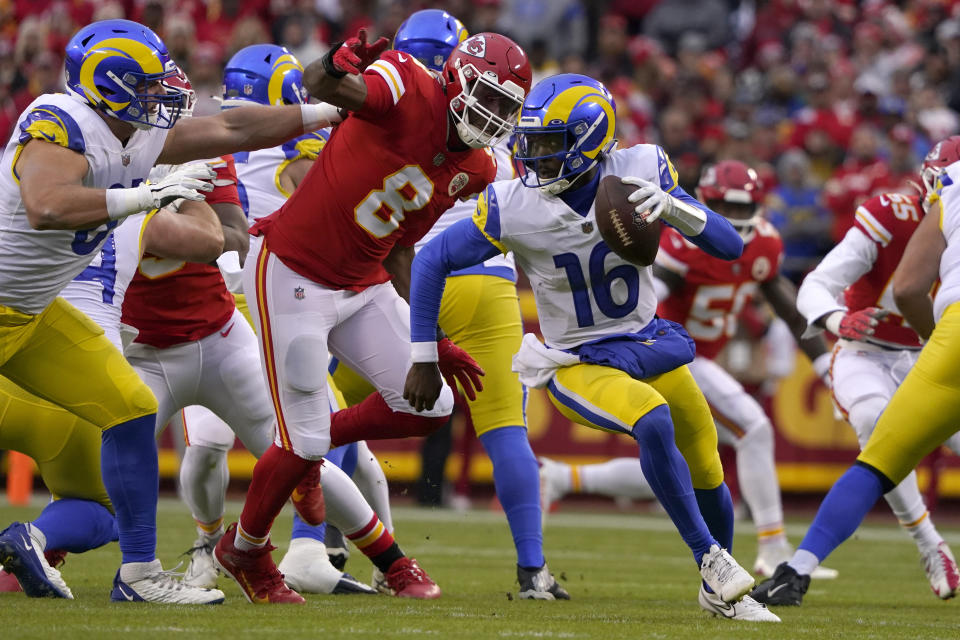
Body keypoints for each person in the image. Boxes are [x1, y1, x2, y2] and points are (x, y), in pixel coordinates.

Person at [405, 73, 778, 622]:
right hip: (576, 360)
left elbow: (727, 247)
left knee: (706, 457)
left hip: (643, 343)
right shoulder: (515, 204)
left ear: (591, 139)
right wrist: (423, 352)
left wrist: (674, 208)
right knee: (652, 420)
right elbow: (432, 259)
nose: (534, 157)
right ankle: (712, 562)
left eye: (550, 144)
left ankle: (720, 590)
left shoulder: (641, 170)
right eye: (530, 142)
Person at [0, 18, 342, 604]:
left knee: (130, 408)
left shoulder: (135, 132)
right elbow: (46, 206)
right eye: (150, 84)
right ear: (110, 86)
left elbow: (231, 126)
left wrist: (329, 113)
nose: (164, 96)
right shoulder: (60, 121)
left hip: (28, 317)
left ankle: (138, 576)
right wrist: (145, 197)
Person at [212, 30, 532, 604]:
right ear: (457, 77)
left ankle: (306, 445)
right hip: (292, 271)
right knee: (303, 441)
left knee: (432, 404)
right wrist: (334, 66)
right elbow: (321, 86)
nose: (494, 113)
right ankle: (247, 549)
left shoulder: (478, 168)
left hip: (364, 280)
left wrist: (428, 340)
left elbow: (404, 248)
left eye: (507, 106)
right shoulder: (408, 83)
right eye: (488, 95)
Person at [176, 44, 430, 598]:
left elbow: (331, 196)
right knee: (215, 446)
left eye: (248, 96)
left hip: (288, 297)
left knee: (328, 445)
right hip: (228, 308)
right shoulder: (211, 145)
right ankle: (208, 546)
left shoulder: (304, 146)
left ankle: (377, 557)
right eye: (236, 97)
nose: (238, 108)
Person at [540, 160, 838, 580]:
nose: (733, 219)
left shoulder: (764, 244)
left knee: (682, 466)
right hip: (672, 353)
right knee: (755, 429)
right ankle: (772, 547)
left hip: (706, 356)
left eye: (742, 208)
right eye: (724, 209)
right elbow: (651, 293)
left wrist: (826, 365)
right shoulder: (682, 244)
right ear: (706, 202)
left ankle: (561, 477)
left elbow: (787, 306)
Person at [0, 157, 228, 599]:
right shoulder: (137, 208)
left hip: (13, 356)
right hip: (68, 381)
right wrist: (188, 194)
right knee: (108, 510)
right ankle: (40, 538)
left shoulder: (26, 194)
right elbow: (211, 241)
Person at [752, 139, 960, 606]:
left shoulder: (943, 204)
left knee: (882, 449)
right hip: (866, 353)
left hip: (927, 357)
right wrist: (837, 320)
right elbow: (817, 285)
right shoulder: (891, 215)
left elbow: (909, 291)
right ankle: (930, 544)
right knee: (875, 422)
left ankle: (800, 569)